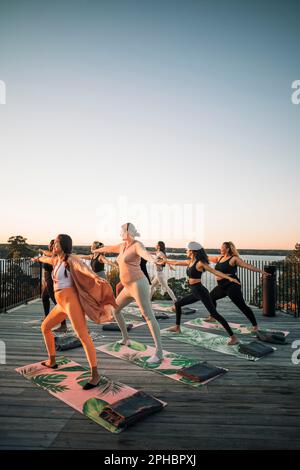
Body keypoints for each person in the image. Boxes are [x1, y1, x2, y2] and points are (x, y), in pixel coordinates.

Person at [32, 234, 117, 389]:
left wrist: (94, 277)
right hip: (61, 304)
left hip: (72, 303)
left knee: (83, 335)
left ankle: (95, 375)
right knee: (45, 327)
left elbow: (82, 267)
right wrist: (37, 259)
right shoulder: (56, 260)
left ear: (63, 245)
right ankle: (52, 361)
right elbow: (46, 259)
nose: (54, 245)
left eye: (56, 243)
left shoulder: (70, 259)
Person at [92, 222, 164, 363]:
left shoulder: (137, 245)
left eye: (121, 231)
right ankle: (126, 339)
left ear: (126, 232)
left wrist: (154, 259)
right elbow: (108, 248)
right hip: (127, 287)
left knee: (148, 316)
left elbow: (145, 254)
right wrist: (96, 251)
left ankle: (159, 352)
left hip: (138, 285)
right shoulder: (122, 246)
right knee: (115, 310)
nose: (119, 234)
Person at [163, 241, 240, 344]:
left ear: (192, 251)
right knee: (178, 304)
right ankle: (177, 327)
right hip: (195, 292)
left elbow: (215, 272)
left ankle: (233, 337)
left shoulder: (200, 263)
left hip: (201, 291)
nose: (186, 251)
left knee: (215, 314)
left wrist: (229, 278)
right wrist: (165, 261)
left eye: (187, 250)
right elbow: (176, 262)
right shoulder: (189, 262)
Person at [206, 241, 270, 332]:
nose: (220, 248)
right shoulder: (220, 258)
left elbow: (247, 266)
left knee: (242, 306)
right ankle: (212, 316)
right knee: (210, 298)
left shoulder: (234, 259)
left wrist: (261, 271)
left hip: (231, 286)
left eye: (222, 247)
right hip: (221, 286)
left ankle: (255, 326)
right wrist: (198, 253)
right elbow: (208, 258)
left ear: (227, 249)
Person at [39, 240, 67, 333]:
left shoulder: (55, 255)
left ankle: (63, 325)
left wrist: (42, 251)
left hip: (51, 280)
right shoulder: (49, 255)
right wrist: (43, 279)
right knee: (44, 297)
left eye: (51, 244)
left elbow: (49, 256)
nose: (49, 246)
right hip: (47, 280)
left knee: (57, 302)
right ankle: (47, 317)